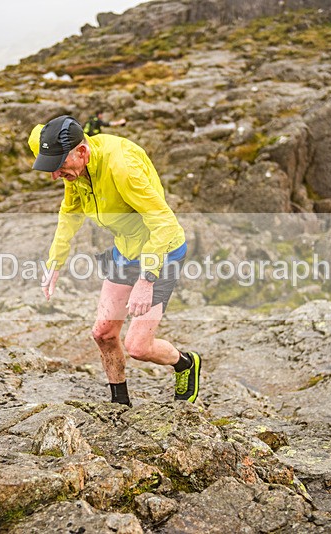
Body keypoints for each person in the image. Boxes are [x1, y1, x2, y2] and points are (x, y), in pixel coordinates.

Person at [28, 115, 201, 407]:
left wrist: (147, 278)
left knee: (137, 346)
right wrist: (55, 262)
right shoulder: (75, 168)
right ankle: (119, 404)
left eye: (59, 167)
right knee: (103, 333)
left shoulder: (122, 167)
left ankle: (186, 363)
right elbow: (69, 212)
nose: (54, 176)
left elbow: (165, 224)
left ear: (82, 152)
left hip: (162, 252)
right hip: (125, 250)